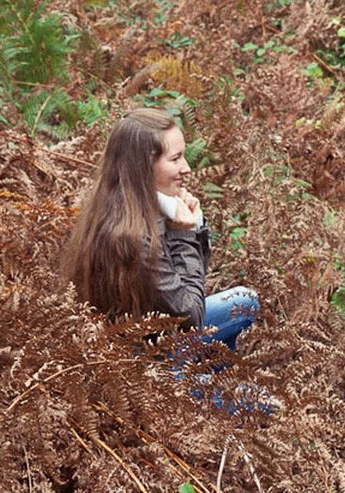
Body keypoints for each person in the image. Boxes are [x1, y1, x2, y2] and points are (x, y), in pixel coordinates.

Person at [61, 108, 259, 364]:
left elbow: (191, 288)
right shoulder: (132, 235)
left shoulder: (130, 207)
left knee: (244, 301)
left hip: (163, 336)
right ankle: (203, 390)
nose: (186, 168)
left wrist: (195, 228)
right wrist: (184, 234)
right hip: (149, 364)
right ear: (143, 166)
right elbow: (192, 316)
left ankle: (212, 380)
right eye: (175, 159)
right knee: (259, 403)